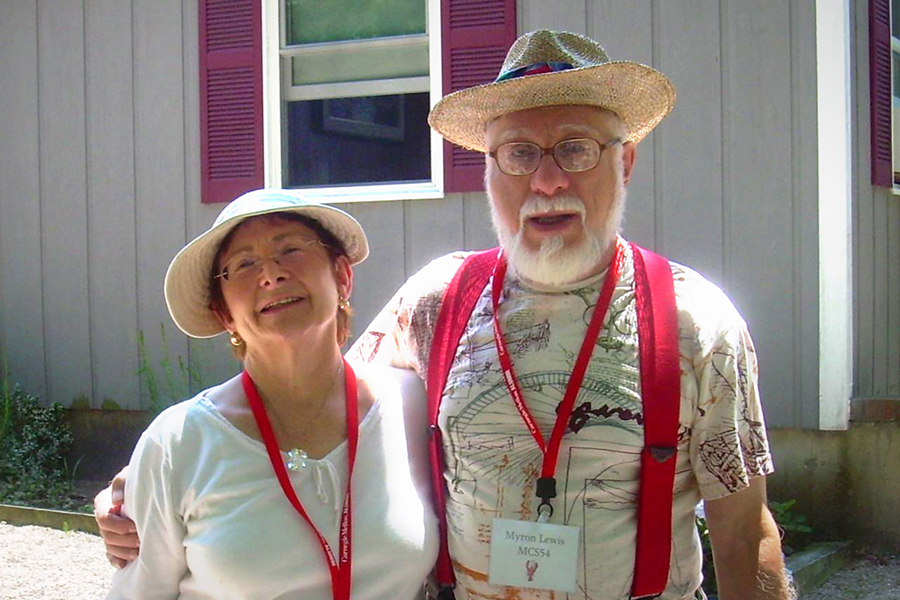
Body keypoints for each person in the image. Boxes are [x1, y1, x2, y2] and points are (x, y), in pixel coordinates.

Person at [98, 30, 793, 600]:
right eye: (519, 153)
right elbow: (313, 401)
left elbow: (740, 532)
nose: (546, 180)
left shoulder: (699, 325)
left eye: (576, 148)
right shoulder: (435, 303)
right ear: (488, 171)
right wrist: (149, 482)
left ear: (627, 162)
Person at [103, 189, 438, 599]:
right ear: (224, 313)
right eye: (244, 264)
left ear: (342, 276)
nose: (271, 274)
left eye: (291, 249)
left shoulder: (413, 405)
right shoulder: (178, 442)